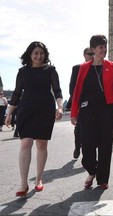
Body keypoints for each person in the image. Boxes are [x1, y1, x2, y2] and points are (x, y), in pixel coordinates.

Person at [5, 41, 63, 196]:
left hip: (44, 109)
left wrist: (60, 107)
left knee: (42, 145)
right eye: (36, 53)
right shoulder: (22, 72)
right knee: (25, 144)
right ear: (30, 55)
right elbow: (16, 94)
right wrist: (9, 113)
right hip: (26, 109)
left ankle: (38, 179)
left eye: (42, 53)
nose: (39, 56)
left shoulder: (50, 70)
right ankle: (23, 184)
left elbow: (57, 91)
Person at [70, 34, 113, 190]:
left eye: (105, 46)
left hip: (108, 110)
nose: (104, 50)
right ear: (93, 49)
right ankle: (91, 170)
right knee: (87, 145)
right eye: (100, 47)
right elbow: (78, 91)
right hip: (88, 111)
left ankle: (102, 179)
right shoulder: (84, 68)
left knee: (105, 145)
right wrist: (74, 112)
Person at [66, 47, 94, 159]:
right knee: (79, 128)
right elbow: (72, 87)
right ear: (84, 55)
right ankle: (78, 147)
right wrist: (75, 101)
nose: (92, 56)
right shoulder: (77, 68)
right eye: (90, 54)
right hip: (80, 102)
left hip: (93, 103)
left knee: (93, 128)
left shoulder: (97, 68)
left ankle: (88, 152)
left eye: (93, 54)